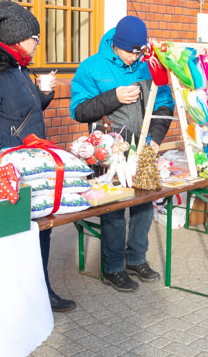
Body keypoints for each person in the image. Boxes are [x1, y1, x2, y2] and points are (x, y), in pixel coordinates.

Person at [0, 0, 76, 312]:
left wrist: (43, 93)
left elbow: (20, 113)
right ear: (17, 38)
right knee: (4, 237)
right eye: (34, 38)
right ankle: (4, 302)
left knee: (39, 228)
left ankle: (39, 291)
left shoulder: (16, 67)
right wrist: (20, 150)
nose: (38, 44)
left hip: (21, 165)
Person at [70, 16, 175, 293]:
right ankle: (113, 267)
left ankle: (136, 259)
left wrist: (155, 139)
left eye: (139, 51)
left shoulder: (149, 65)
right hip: (109, 148)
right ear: (116, 44)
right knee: (114, 207)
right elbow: (79, 110)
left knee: (144, 203)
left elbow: (164, 104)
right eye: (130, 51)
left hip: (143, 145)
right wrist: (114, 96)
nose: (134, 57)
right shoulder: (91, 67)